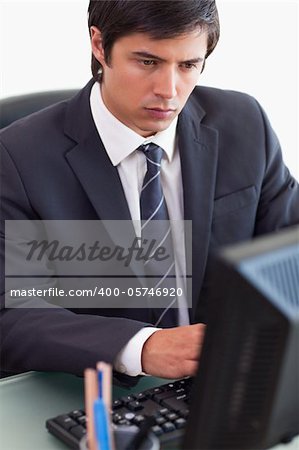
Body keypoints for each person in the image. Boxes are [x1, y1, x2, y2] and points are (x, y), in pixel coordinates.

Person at [0, 0, 298, 380]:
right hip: (95, 392)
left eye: (188, 65)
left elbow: (290, 248)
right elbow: (12, 314)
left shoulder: (245, 124)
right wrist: (142, 347)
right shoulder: (16, 158)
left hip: (230, 380)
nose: (168, 90)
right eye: (147, 62)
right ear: (99, 44)